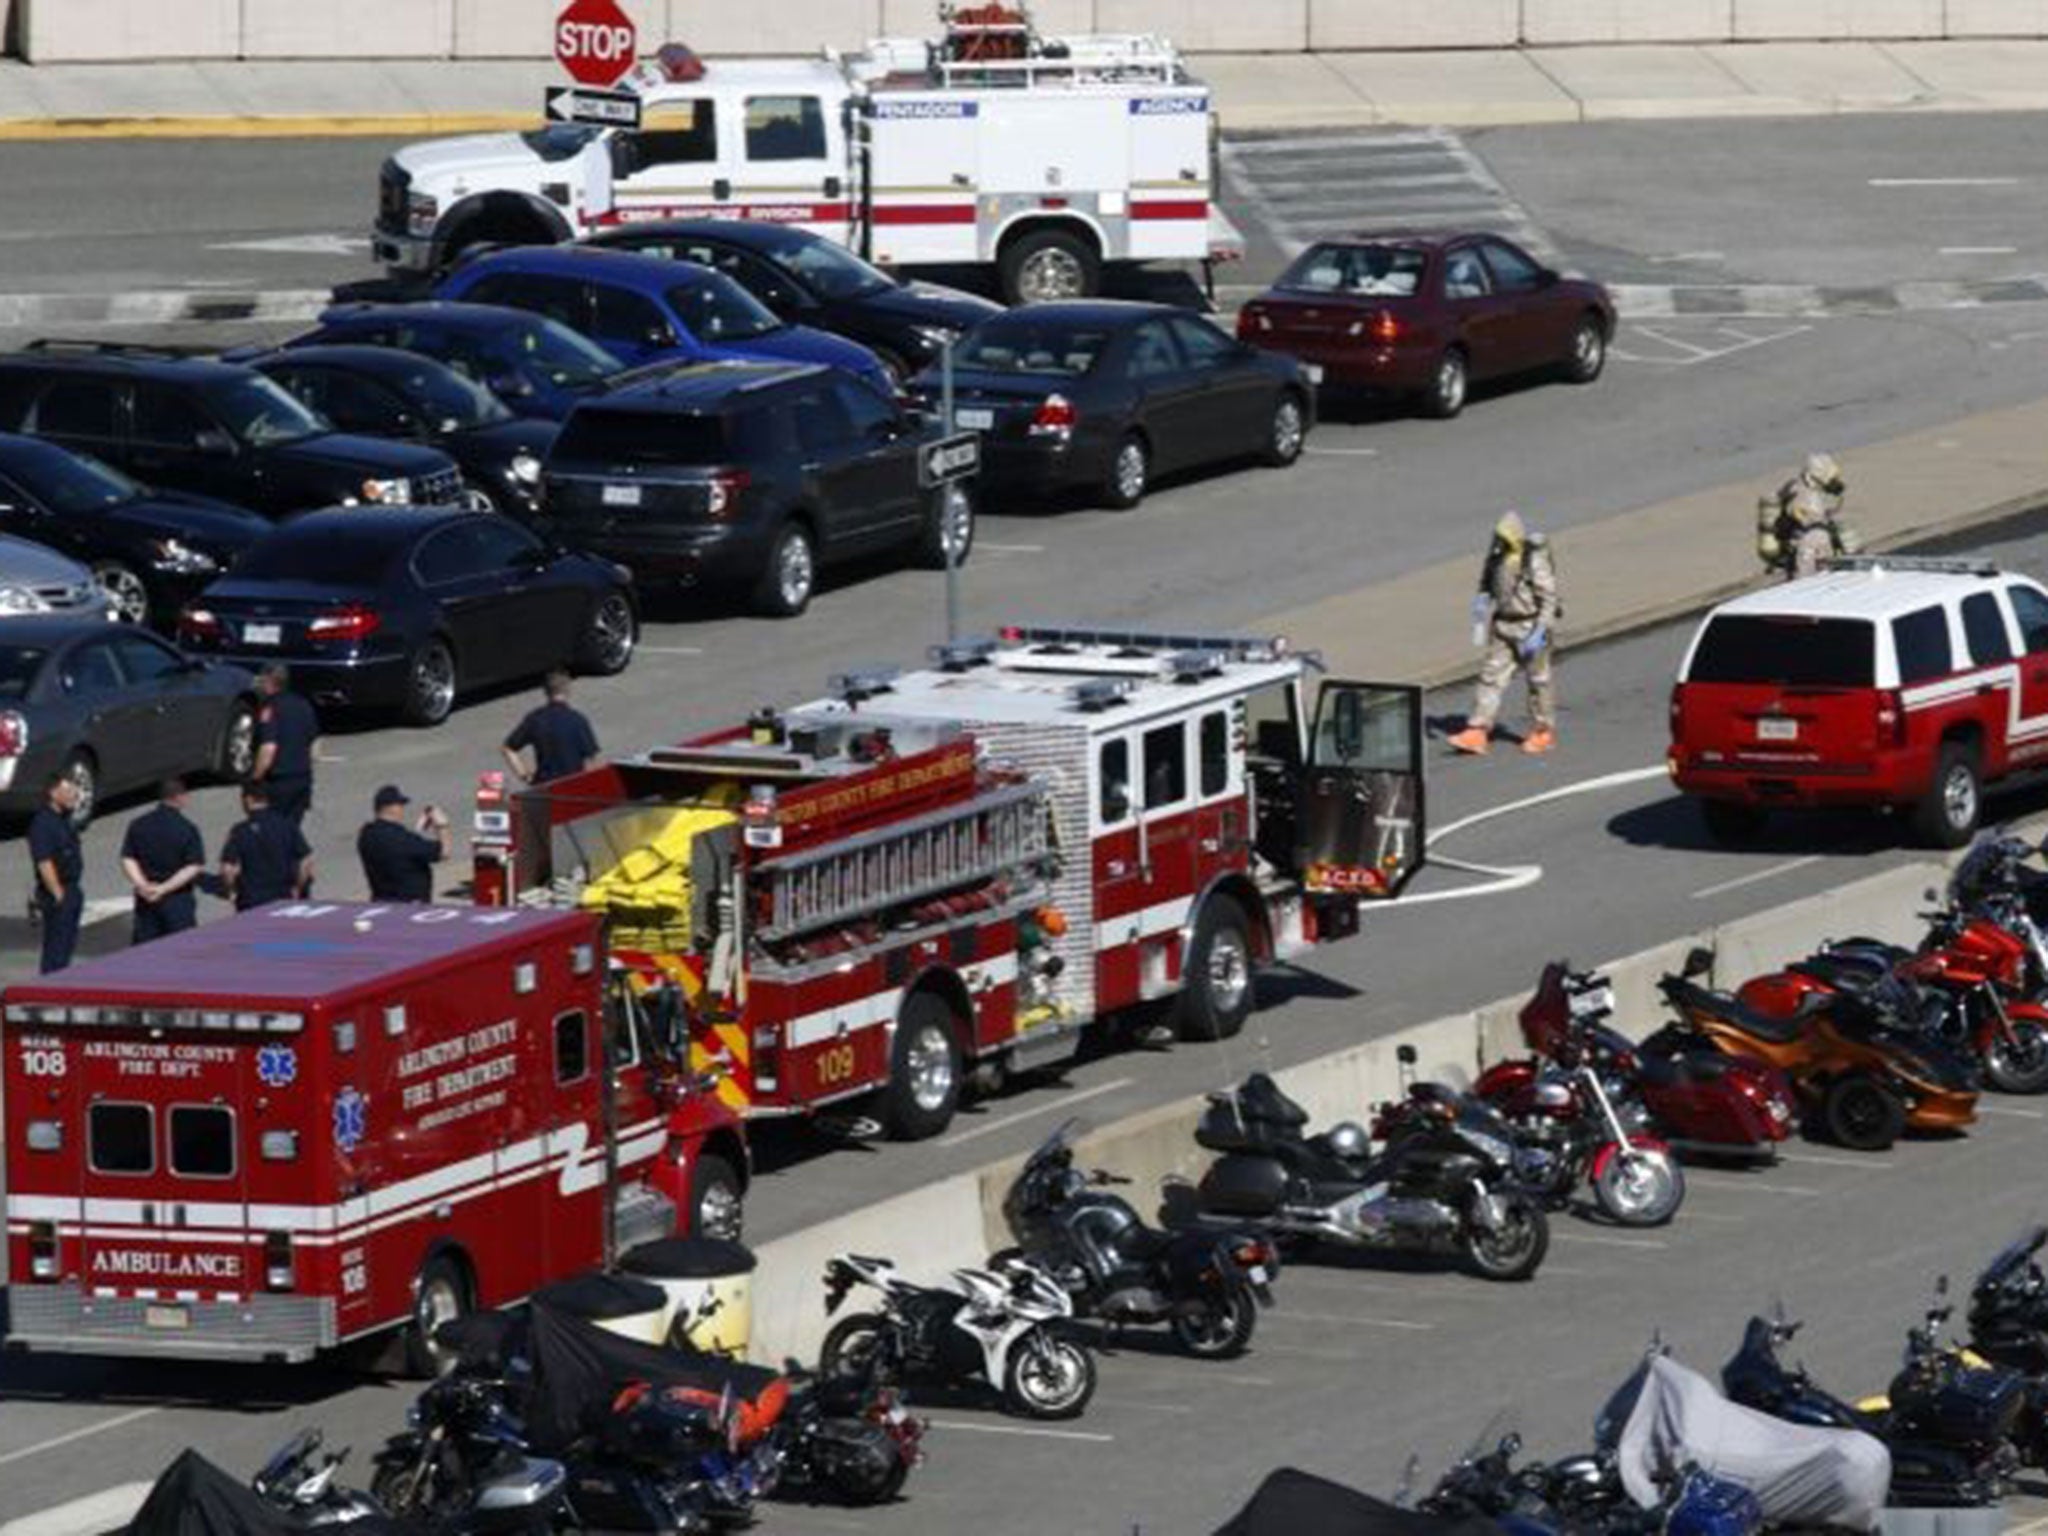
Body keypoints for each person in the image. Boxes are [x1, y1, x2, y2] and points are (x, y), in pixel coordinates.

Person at [1449, 510, 1560, 757]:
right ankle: (1477, 728)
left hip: (1529, 625)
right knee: (1491, 677)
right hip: (1503, 625)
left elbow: (1548, 599)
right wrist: (1480, 608)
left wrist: (1540, 630)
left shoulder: (1532, 560)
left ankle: (1543, 730)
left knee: (1539, 681)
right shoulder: (1497, 558)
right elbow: (1486, 585)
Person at [119, 779, 206, 944]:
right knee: (181, 950)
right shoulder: (187, 829)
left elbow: (128, 857)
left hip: (146, 898)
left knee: (145, 949)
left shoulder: (138, 825)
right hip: (177, 899)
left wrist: (143, 884)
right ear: (180, 797)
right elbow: (193, 866)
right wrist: (163, 889)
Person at [1757, 451, 1854, 580]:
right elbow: (1806, 520)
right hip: (1805, 547)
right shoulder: (1802, 494)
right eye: (1830, 478)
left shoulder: (1799, 487)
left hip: (1801, 545)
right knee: (1806, 582)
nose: (1833, 481)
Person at [220, 782, 313, 912]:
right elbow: (306, 861)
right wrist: (297, 887)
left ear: (248, 799)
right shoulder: (287, 825)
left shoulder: (239, 831)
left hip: (251, 902)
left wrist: (231, 890)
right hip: (283, 898)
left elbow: (227, 868)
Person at [502, 669, 601, 787]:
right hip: (574, 786)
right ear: (568, 690)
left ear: (545, 691)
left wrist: (525, 775)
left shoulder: (535, 719)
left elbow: (508, 749)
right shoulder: (578, 720)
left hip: (545, 787)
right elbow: (592, 760)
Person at [250, 663, 319, 826]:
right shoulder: (303, 704)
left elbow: (268, 748)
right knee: (293, 830)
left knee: (273, 832)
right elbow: (314, 741)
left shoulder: (270, 708)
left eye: (261, 680)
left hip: (279, 782)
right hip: (303, 778)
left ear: (268, 681)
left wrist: (255, 777)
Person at [27, 772, 83, 973]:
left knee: (67, 945)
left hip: (72, 888)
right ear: (53, 793)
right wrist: (57, 892)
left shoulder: (64, 819)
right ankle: (47, 992)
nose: (74, 795)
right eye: (67, 791)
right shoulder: (43, 824)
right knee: (56, 949)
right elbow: (44, 861)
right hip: (58, 891)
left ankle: (59, 988)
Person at [357, 784, 451, 903]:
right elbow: (444, 852)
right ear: (392, 808)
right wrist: (442, 825)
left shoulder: (367, 834)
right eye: (400, 805)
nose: (402, 809)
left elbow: (401, 849)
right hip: (409, 906)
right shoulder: (402, 839)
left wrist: (416, 832)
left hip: (380, 901)